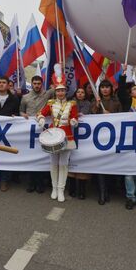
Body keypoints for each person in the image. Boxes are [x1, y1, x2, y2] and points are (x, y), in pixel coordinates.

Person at [37, 65, 78, 203]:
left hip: (67, 136)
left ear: (66, 92)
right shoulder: (50, 103)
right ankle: (54, 188)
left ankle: (61, 190)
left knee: (64, 164)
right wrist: (41, 119)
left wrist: (73, 122)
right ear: (55, 91)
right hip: (53, 136)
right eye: (58, 90)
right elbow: (40, 113)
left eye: (62, 91)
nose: (60, 93)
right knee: (53, 163)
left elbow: (75, 118)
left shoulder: (72, 104)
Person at [19, 74, 54, 193]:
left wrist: (59, 73)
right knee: (30, 157)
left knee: (41, 156)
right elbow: (21, 111)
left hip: (42, 130)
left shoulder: (47, 95)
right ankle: (30, 183)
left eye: (39, 84)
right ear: (32, 84)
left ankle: (40, 183)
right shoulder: (25, 97)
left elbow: (60, 89)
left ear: (42, 84)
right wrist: (21, 114)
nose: (37, 86)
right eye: (35, 83)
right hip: (29, 132)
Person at [90, 79, 121, 205]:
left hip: (112, 138)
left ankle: (108, 190)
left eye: (107, 87)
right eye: (102, 87)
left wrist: (111, 115)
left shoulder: (116, 102)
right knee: (100, 165)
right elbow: (89, 116)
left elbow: (122, 118)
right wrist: (97, 107)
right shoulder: (95, 101)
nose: (105, 89)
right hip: (98, 138)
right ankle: (102, 193)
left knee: (109, 165)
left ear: (111, 89)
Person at [0, 76, 19, 191]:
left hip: (8, 132)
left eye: (4, 83)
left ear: (7, 85)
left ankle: (4, 180)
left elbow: (16, 113)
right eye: (0, 82)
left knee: (5, 155)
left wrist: (15, 116)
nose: (1, 84)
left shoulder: (14, 99)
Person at [70, 87, 93, 199]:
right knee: (71, 161)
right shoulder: (70, 103)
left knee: (82, 163)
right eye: (78, 92)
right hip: (71, 135)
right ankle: (72, 188)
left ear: (85, 94)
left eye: (82, 92)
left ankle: (82, 190)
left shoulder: (88, 104)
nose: (80, 94)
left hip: (84, 137)